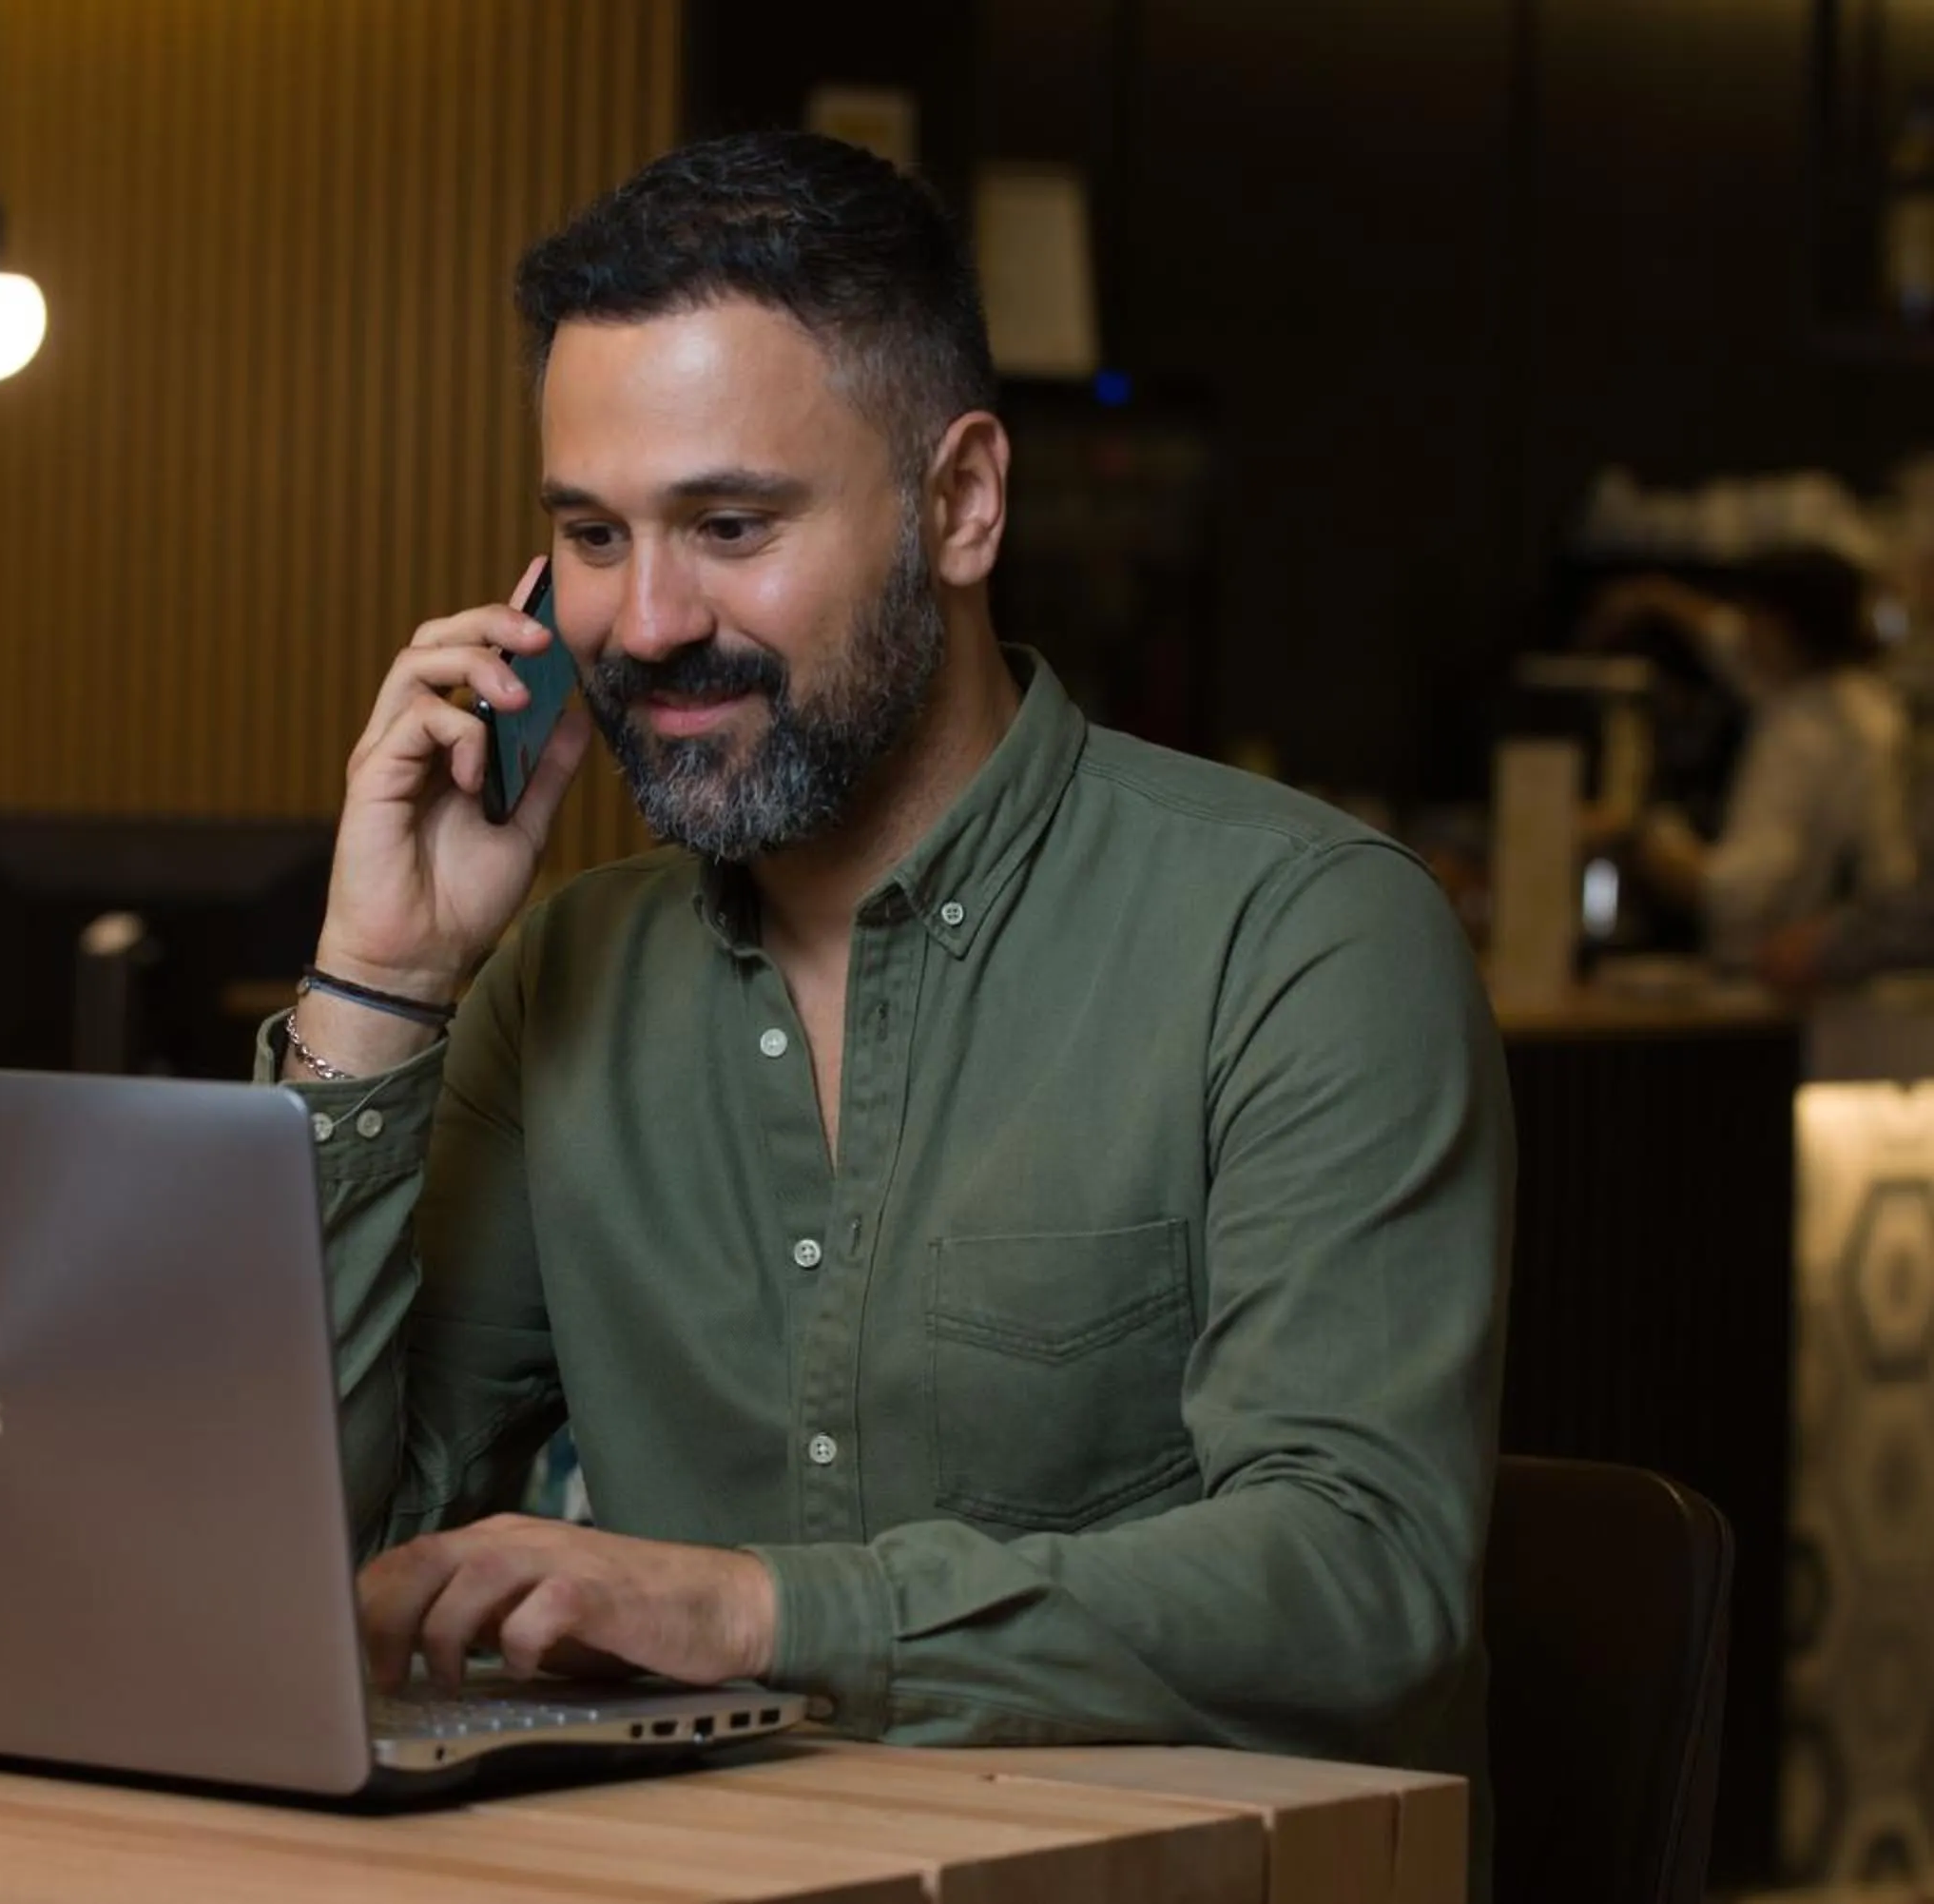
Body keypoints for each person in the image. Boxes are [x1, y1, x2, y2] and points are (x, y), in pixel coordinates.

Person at [261, 131, 1510, 1890]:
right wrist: (379, 986)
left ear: (963, 502)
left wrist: (755, 1609)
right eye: (591, 537)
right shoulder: (553, 976)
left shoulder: (1300, 937)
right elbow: (319, 1557)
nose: (647, 621)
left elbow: (1362, 1579)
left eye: (730, 525)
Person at [1581, 553, 1915, 969]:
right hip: (1872, 976)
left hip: (1784, 983)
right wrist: (1653, 595)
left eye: (1751, 618)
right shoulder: (1870, 705)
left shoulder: (1799, 736)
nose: (1741, 633)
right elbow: (1723, 640)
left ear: (1779, 627)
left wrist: (1631, 835)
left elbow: (1737, 895)